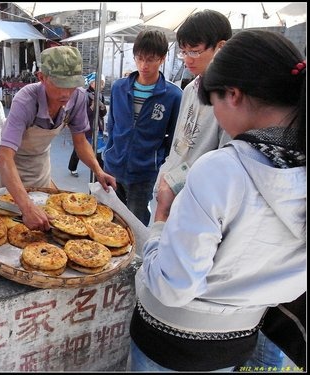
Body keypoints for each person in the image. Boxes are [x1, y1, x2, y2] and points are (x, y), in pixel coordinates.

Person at [128, 29, 306, 372]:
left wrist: (162, 217)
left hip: (170, 342)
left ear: (234, 95)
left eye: (213, 103)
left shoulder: (223, 169)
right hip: (237, 341)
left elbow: (171, 286)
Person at [0, 45, 116, 231]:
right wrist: (26, 206)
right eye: (59, 85)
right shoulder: (25, 101)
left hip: (41, 166)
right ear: (42, 78)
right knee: (11, 227)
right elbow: (4, 157)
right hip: (13, 171)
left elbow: (80, 141)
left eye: (71, 85)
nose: (65, 94)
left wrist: (98, 170)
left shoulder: (77, 98)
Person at [151, 9, 233, 223]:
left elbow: (223, 164)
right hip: (167, 190)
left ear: (221, 47)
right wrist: (164, 177)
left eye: (194, 51)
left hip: (197, 202)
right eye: (183, 52)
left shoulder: (231, 100)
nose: (187, 59)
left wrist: (174, 184)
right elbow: (178, 145)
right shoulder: (189, 89)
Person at [103, 29, 182, 226]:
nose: (144, 65)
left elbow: (173, 139)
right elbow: (112, 124)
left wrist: (156, 162)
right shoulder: (119, 87)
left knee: (136, 222)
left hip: (144, 173)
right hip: (112, 166)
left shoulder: (173, 95)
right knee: (108, 219)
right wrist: (109, 151)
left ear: (162, 59)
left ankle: (138, 257)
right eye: (139, 58)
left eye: (151, 59)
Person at [68, 72, 107, 177]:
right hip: (86, 127)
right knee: (79, 148)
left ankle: (100, 171)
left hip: (97, 127)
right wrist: (92, 107)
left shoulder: (100, 96)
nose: (100, 85)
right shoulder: (84, 95)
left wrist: (102, 107)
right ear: (91, 83)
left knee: (98, 151)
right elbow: (82, 113)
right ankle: (72, 167)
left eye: (102, 83)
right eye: (97, 82)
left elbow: (103, 114)